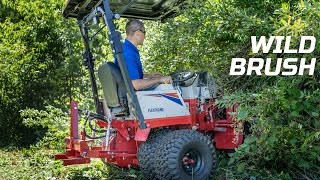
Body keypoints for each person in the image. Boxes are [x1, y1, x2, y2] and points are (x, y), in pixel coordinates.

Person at [114, 19, 172, 90]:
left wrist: (149, 76)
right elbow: (136, 84)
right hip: (135, 96)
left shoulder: (126, 49)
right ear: (138, 33)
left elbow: (129, 76)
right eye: (144, 32)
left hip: (131, 93)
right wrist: (159, 79)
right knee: (171, 90)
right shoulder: (128, 53)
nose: (145, 36)